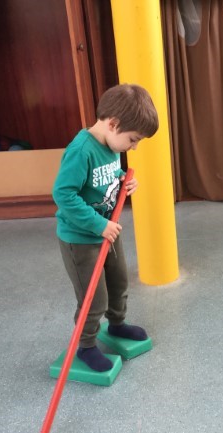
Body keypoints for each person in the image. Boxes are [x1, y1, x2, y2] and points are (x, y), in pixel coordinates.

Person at [52, 84, 159, 372]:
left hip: (107, 232)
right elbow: (64, 195)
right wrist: (99, 224)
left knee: (118, 282)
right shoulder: (81, 151)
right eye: (133, 140)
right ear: (113, 124)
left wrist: (124, 180)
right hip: (81, 239)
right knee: (93, 298)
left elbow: (104, 177)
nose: (134, 147)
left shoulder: (111, 144)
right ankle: (86, 346)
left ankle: (117, 324)